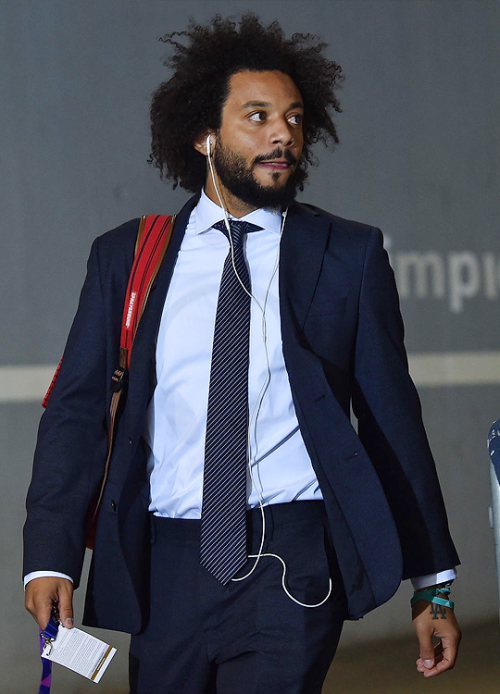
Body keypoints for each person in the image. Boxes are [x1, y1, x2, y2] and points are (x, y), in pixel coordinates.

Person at [24, 13, 461, 694]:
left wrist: (433, 584)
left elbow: (391, 422)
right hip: (163, 564)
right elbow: (76, 414)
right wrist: (48, 557)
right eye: (256, 116)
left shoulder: (345, 255)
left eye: (291, 117)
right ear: (204, 135)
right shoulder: (127, 258)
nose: (281, 132)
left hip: (293, 567)